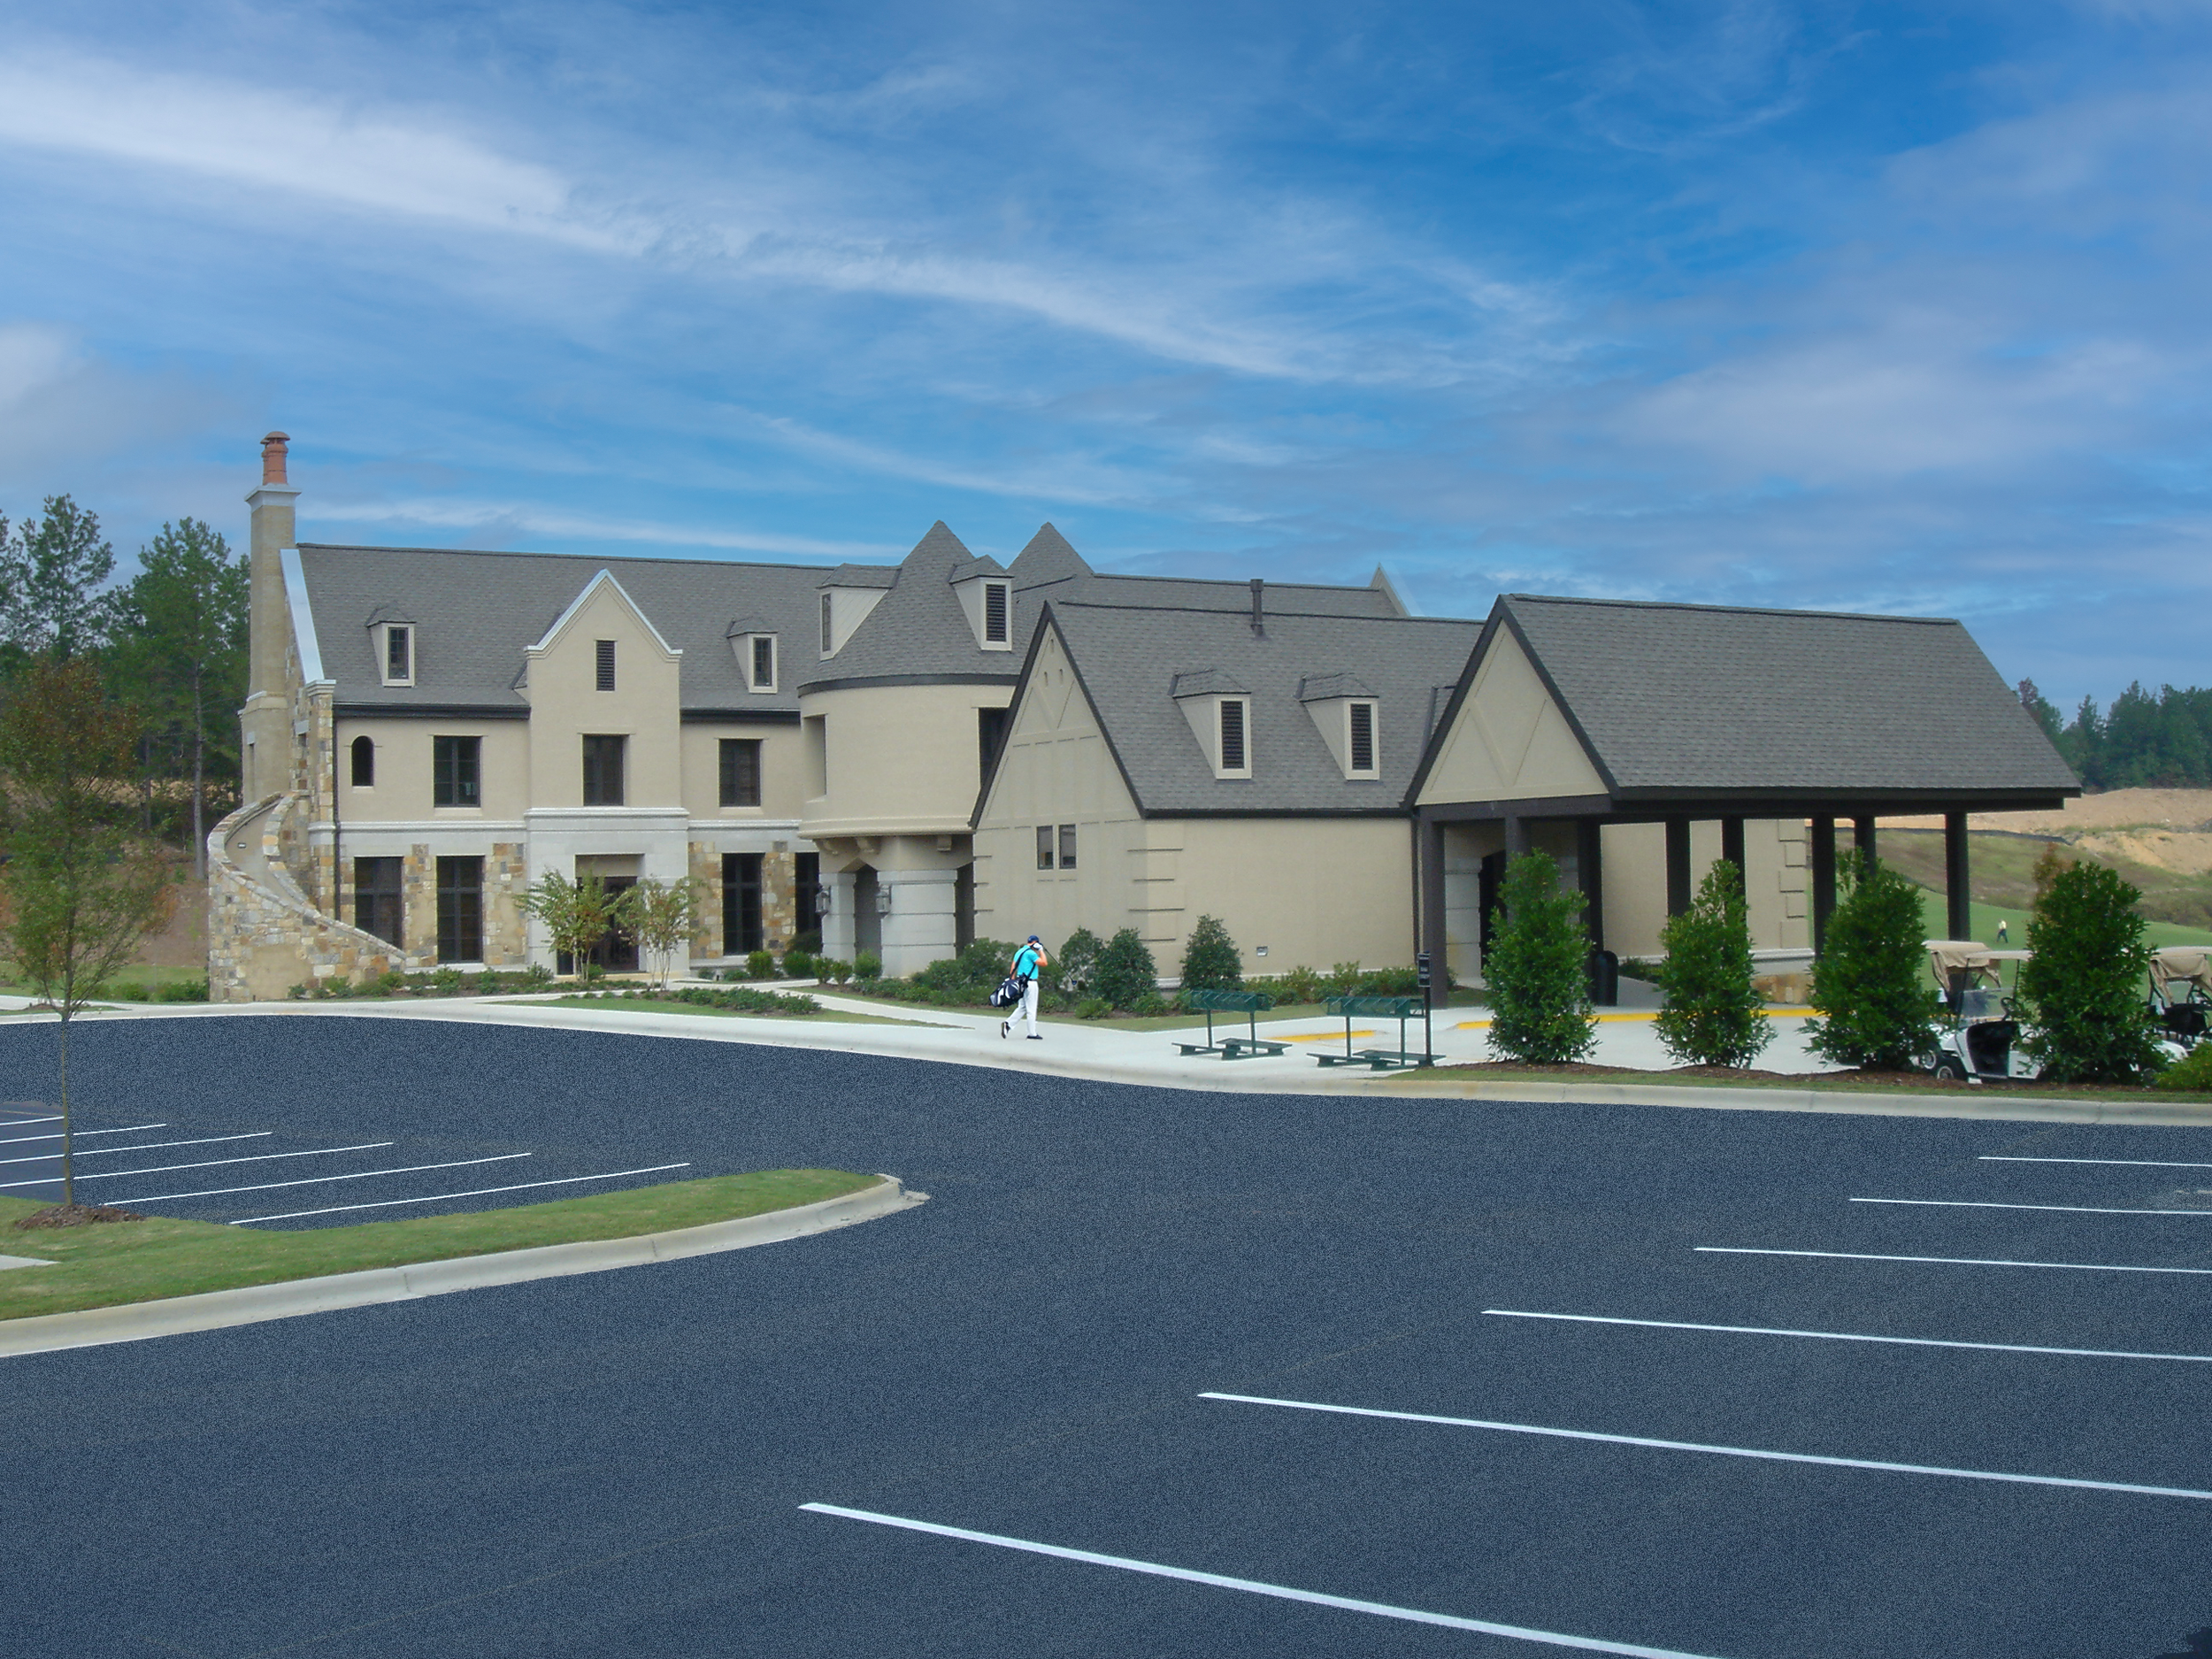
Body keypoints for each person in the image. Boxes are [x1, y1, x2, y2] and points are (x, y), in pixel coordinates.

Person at [1002, 934, 1048, 1041]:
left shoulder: (1020, 951)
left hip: (1020, 982)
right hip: (1030, 983)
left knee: (1022, 1006)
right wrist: (1041, 950)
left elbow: (1013, 967)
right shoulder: (1031, 953)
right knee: (1031, 1009)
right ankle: (1032, 1033)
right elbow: (1044, 963)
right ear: (1035, 943)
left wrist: (1012, 980)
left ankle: (1008, 1024)